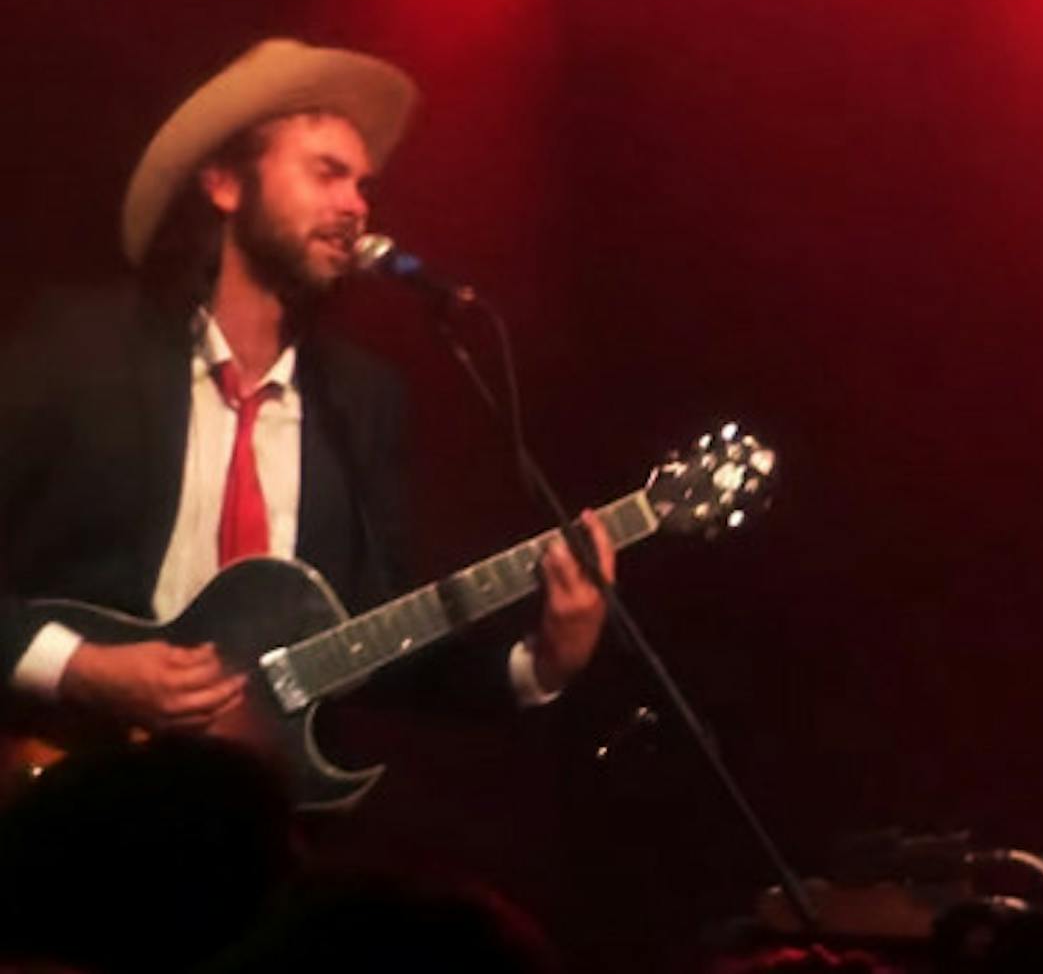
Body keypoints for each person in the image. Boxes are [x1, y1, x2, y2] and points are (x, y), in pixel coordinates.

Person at [0, 39, 614, 769]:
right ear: (226, 183)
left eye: (363, 185)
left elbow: (377, 649)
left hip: (241, 826)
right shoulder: (80, 345)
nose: (356, 206)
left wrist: (542, 662)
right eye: (327, 173)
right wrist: (82, 669)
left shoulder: (362, 405)